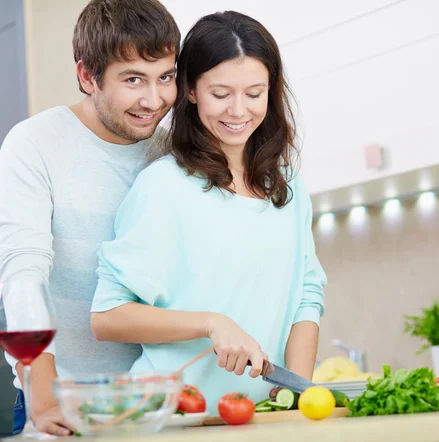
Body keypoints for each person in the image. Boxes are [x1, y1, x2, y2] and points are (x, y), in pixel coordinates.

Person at [90, 10, 327, 412]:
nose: (238, 111)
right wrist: (211, 323)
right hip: (172, 417)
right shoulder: (164, 186)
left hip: (263, 417)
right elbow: (108, 316)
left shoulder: (285, 183)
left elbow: (307, 293)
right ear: (191, 91)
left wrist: (296, 391)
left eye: (254, 93)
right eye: (221, 94)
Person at [0, 0, 179, 435]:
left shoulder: (170, 154)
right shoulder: (35, 143)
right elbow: (23, 272)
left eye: (165, 77)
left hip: (156, 405)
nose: (154, 100)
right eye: (133, 79)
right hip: (61, 402)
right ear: (86, 77)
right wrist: (43, 388)